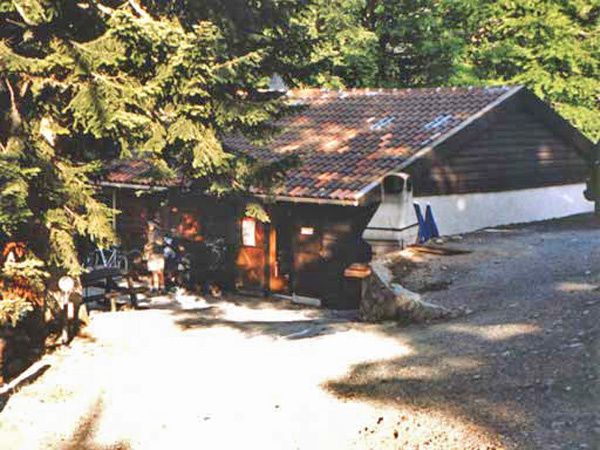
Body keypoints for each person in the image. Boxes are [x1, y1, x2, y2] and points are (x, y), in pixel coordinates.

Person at [145, 220, 165, 294]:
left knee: (158, 272)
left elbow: (160, 242)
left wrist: (152, 244)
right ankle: (157, 287)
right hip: (153, 254)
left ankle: (161, 287)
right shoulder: (149, 233)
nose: (149, 226)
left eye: (150, 225)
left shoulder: (157, 233)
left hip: (157, 254)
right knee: (155, 272)